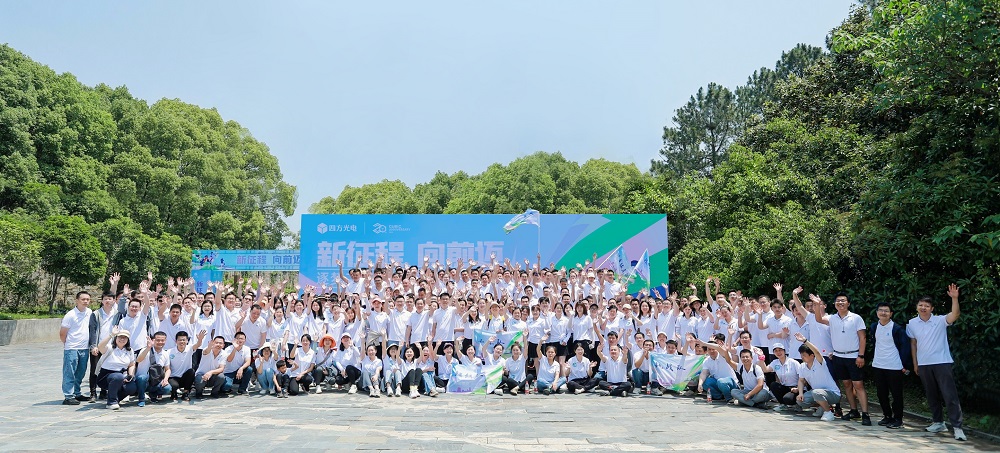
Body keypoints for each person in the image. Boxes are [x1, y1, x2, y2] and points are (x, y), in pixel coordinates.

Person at [907, 284, 965, 441]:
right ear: (917, 307)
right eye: (921, 305)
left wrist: (954, 298)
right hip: (924, 364)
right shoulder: (911, 323)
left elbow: (955, 314)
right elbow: (913, 344)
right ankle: (938, 422)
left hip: (942, 362)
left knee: (949, 395)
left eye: (927, 306)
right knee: (931, 395)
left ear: (932, 308)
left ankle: (957, 427)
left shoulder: (940, 320)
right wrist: (915, 363)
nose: (923, 308)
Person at [812, 293, 871, 425]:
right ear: (834, 304)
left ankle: (865, 414)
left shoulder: (856, 318)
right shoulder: (832, 318)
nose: (840, 303)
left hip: (853, 356)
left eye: (843, 300)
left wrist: (861, 355)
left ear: (848, 303)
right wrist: (817, 304)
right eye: (838, 301)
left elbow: (862, 337)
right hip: (838, 356)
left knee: (858, 385)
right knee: (846, 384)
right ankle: (854, 410)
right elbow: (819, 319)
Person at [869, 302, 912, 429]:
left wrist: (905, 365)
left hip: (894, 366)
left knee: (896, 394)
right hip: (878, 365)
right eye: (881, 310)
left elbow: (905, 348)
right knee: (881, 393)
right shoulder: (874, 327)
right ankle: (887, 416)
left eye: (886, 311)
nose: (883, 313)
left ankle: (898, 419)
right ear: (877, 312)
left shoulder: (897, 329)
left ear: (891, 314)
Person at [794, 333, 841, 421]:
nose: (802, 357)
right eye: (801, 355)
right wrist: (800, 393)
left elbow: (817, 352)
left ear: (812, 356)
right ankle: (822, 407)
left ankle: (828, 412)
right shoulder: (802, 366)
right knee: (800, 401)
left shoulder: (819, 362)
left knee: (816, 393)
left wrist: (805, 341)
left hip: (833, 394)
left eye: (804, 355)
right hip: (817, 393)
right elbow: (801, 380)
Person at [60, 291, 93, 405]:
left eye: (87, 299)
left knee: (80, 372)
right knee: (70, 372)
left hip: (84, 348)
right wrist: (68, 344)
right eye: (83, 299)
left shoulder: (89, 312)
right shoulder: (70, 315)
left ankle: (77, 393)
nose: (85, 301)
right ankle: (68, 396)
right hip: (72, 348)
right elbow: (62, 333)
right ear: (77, 300)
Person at [95, 328, 138, 410]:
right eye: (120, 337)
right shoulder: (109, 348)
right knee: (118, 377)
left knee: (132, 387)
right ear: (116, 338)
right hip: (106, 376)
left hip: (122, 375)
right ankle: (111, 402)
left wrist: (130, 375)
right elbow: (100, 346)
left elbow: (132, 364)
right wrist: (111, 334)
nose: (122, 339)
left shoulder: (129, 350)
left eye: (125, 338)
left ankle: (115, 398)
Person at [697, 335, 738, 403]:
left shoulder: (723, 354)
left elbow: (718, 347)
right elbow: (704, 373)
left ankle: (729, 398)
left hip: (731, 383)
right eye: (709, 349)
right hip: (718, 383)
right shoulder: (706, 360)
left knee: (721, 381)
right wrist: (700, 384)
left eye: (713, 349)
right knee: (704, 382)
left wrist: (704, 343)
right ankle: (719, 397)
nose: (711, 351)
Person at [135, 331, 172, 406]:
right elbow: (138, 360)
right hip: (143, 381)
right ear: (153, 340)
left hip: (155, 381)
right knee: (142, 378)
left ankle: (153, 394)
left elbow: (168, 369)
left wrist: (165, 379)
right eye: (158, 340)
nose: (160, 342)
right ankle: (141, 398)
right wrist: (148, 348)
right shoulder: (145, 350)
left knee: (167, 388)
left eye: (162, 340)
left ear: (165, 341)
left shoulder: (165, 354)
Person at [168, 330, 205, 401]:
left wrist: (200, 339)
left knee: (192, 372)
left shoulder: (190, 348)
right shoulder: (169, 352)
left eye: (184, 340)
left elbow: (198, 345)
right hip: (173, 377)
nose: (182, 342)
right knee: (174, 385)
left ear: (187, 341)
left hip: (185, 377)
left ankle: (185, 393)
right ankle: (173, 393)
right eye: (180, 340)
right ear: (176, 341)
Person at [763, 343, 800, 410]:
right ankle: (783, 405)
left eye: (780, 350)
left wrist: (798, 388)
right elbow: (765, 370)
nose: (778, 352)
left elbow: (802, 377)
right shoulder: (775, 362)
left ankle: (798, 404)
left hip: (796, 388)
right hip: (785, 387)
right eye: (776, 351)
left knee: (788, 399)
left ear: (784, 351)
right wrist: (761, 358)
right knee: (773, 385)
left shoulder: (793, 362)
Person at [222, 331, 253, 395]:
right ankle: (227, 386)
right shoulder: (228, 349)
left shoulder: (247, 349)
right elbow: (229, 360)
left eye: (242, 339)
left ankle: (242, 389)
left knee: (249, 369)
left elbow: (248, 362)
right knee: (226, 387)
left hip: (239, 372)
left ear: (245, 340)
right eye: (238, 338)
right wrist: (235, 349)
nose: (240, 340)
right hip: (228, 373)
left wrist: (241, 368)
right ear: (234, 340)